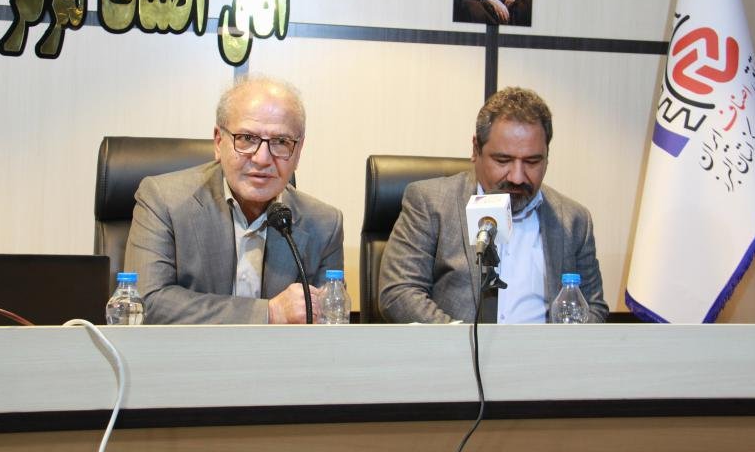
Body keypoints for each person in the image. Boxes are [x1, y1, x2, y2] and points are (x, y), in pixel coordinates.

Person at [124, 76, 344, 324]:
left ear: (299, 150)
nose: (262, 159)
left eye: (281, 142)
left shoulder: (325, 224)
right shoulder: (163, 200)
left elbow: (328, 322)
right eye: (247, 138)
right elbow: (147, 302)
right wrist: (269, 313)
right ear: (219, 142)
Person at [378, 86, 608, 324]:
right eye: (503, 160)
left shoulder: (574, 220)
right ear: (476, 150)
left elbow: (593, 306)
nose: (517, 177)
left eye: (532, 161)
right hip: (457, 345)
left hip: (544, 348)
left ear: (547, 157)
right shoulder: (431, 203)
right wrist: (462, 341)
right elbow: (399, 292)